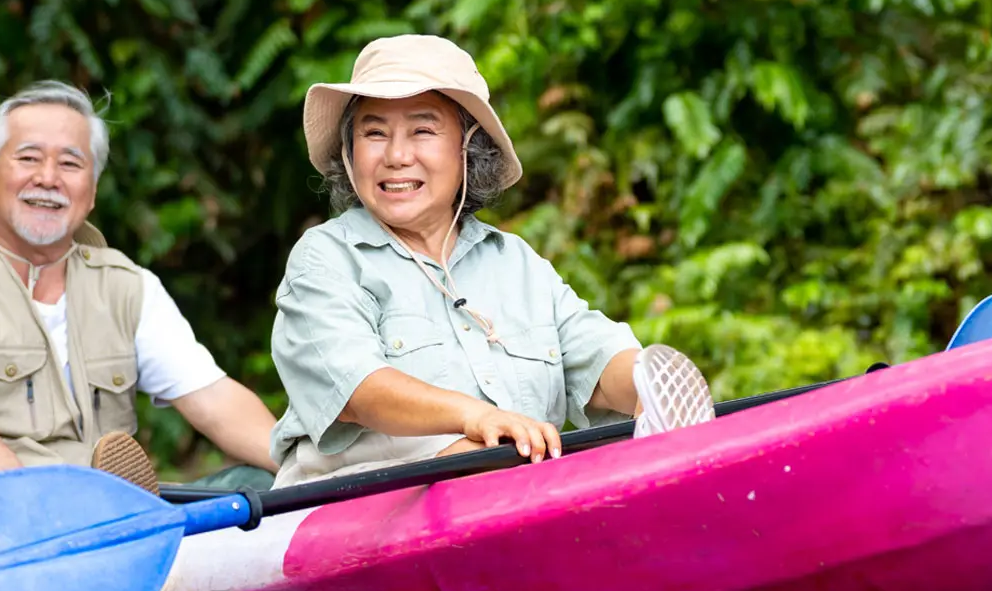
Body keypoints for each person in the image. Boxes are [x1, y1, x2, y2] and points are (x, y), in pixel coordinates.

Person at [267, 35, 717, 488]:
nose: (396, 156)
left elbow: (596, 361)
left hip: (512, 501)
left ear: (469, 149)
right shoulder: (325, 257)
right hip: (354, 515)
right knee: (494, 468)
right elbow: (357, 390)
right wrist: (476, 419)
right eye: (374, 133)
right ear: (349, 153)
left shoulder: (516, 263)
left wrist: (651, 387)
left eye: (422, 131)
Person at [0, 81, 279, 495]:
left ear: (93, 189)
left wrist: (305, 468)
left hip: (96, 512)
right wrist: (26, 499)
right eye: (28, 158)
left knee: (256, 484)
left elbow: (212, 399)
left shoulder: (128, 287)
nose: (47, 178)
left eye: (70, 164)